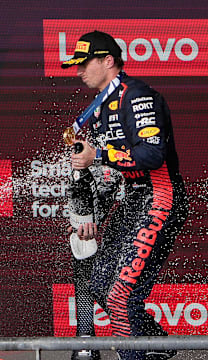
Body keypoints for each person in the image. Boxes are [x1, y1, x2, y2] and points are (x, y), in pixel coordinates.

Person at [61, 30, 189, 360]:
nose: (79, 72)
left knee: (120, 295)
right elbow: (109, 174)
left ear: (108, 61)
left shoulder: (138, 96)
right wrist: (91, 217)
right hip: (132, 201)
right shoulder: (101, 107)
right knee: (102, 285)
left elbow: (152, 154)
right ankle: (160, 346)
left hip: (159, 197)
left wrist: (98, 156)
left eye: (84, 64)